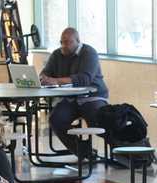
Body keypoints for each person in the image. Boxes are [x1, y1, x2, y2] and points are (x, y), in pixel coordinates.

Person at [40, 27, 108, 156]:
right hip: (71, 99)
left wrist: (56, 81)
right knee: (56, 119)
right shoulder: (56, 55)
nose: (64, 46)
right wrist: (44, 78)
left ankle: (124, 151)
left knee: (99, 120)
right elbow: (45, 73)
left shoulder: (89, 53)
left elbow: (84, 79)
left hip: (92, 97)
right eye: (62, 42)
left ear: (78, 41)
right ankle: (83, 151)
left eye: (68, 42)